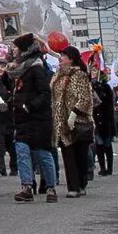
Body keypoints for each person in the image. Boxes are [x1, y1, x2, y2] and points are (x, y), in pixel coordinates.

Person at [9, 33, 59, 202]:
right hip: (23, 119)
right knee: (22, 152)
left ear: (23, 49)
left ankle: (51, 188)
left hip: (38, 119)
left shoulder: (36, 68)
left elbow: (45, 93)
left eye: (15, 47)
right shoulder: (20, 69)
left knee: (43, 153)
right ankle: (27, 187)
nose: (13, 50)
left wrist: (29, 105)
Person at [51, 45, 96, 198]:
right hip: (61, 122)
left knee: (80, 155)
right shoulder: (57, 76)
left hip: (78, 121)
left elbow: (85, 98)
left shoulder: (80, 75)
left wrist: (74, 114)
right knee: (68, 154)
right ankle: (73, 187)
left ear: (71, 59)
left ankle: (82, 183)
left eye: (63, 56)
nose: (60, 59)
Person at [92, 67, 117, 176]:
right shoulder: (92, 86)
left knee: (107, 144)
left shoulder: (106, 88)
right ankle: (102, 167)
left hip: (106, 121)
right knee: (99, 145)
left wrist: (98, 87)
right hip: (96, 120)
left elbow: (104, 103)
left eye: (95, 72)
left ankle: (109, 168)